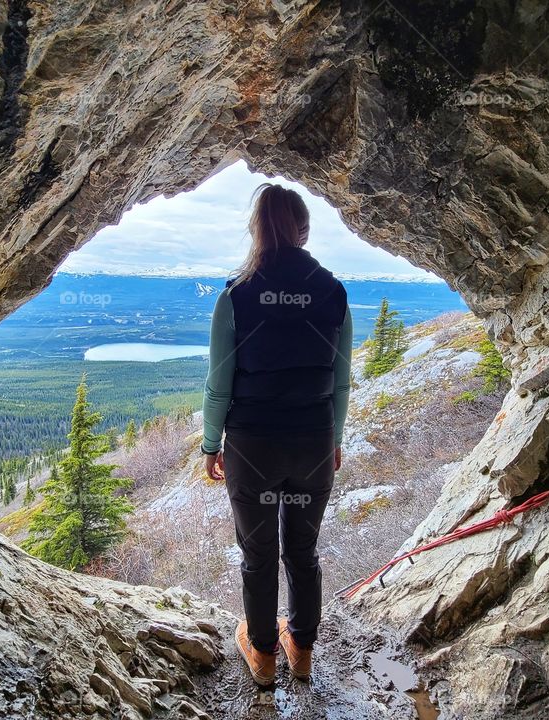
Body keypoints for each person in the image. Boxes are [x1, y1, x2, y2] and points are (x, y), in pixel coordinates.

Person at [201, 183, 352, 686]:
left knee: (259, 553)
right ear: (304, 230)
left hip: (253, 445)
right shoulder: (333, 291)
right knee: (303, 551)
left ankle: (264, 656)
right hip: (311, 443)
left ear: (257, 228)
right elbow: (341, 378)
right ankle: (302, 650)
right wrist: (333, 439)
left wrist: (209, 443)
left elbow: (218, 382)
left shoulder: (237, 294)